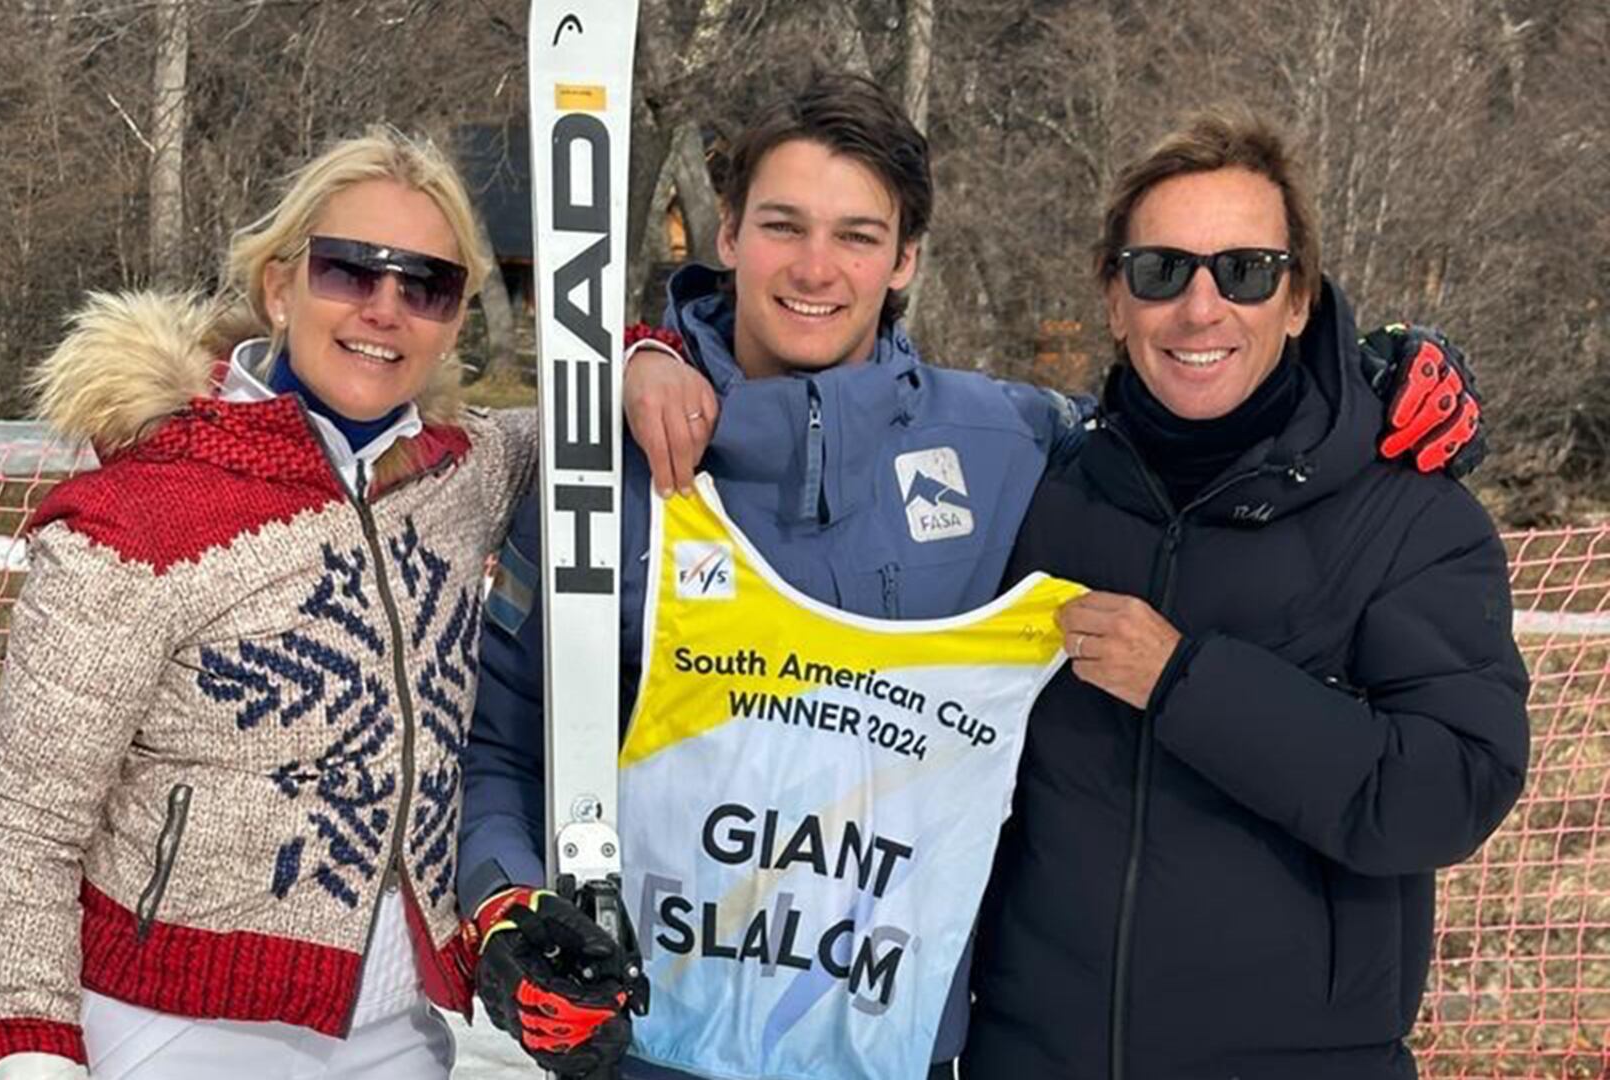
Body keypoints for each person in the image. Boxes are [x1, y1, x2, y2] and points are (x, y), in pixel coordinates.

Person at [460, 72, 1489, 1080]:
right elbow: (501, 745)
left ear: (904, 258)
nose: (816, 269)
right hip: (655, 1042)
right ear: (726, 235)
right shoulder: (603, 464)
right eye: (783, 226)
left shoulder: (1011, 447)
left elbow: (1209, 402)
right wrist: (508, 907)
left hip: (902, 1048)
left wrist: (1374, 374)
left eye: (858, 236)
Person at [0, 126, 713, 1080]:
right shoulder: (139, 514)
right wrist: (31, 1056)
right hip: (169, 1027)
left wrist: (642, 355)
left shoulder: (466, 470)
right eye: (351, 271)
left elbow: (583, 409)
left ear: (454, 319)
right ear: (280, 287)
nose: (385, 308)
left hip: (396, 1031)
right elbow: (26, 826)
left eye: (427, 285)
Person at [960, 109, 1530, 1080]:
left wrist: (1188, 683)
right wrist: (650, 360)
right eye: (1160, 270)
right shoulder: (1043, 498)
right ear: (1113, 297)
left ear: (1300, 298)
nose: (1201, 306)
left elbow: (1451, 789)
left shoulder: (1410, 518)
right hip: (1033, 1053)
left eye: (1247, 271)